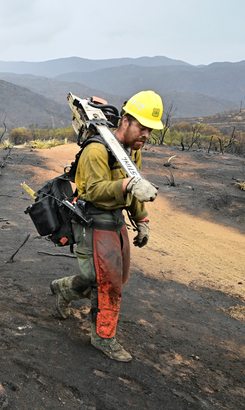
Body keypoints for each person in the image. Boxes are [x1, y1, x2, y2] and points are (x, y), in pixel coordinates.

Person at [49, 90, 162, 362]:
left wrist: (142, 220)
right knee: (108, 283)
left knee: (117, 278)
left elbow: (135, 186)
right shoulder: (97, 149)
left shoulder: (130, 153)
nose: (145, 135)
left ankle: (63, 288)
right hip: (94, 222)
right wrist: (127, 184)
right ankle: (103, 337)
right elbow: (93, 191)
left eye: (150, 130)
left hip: (116, 222)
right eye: (141, 127)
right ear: (126, 121)